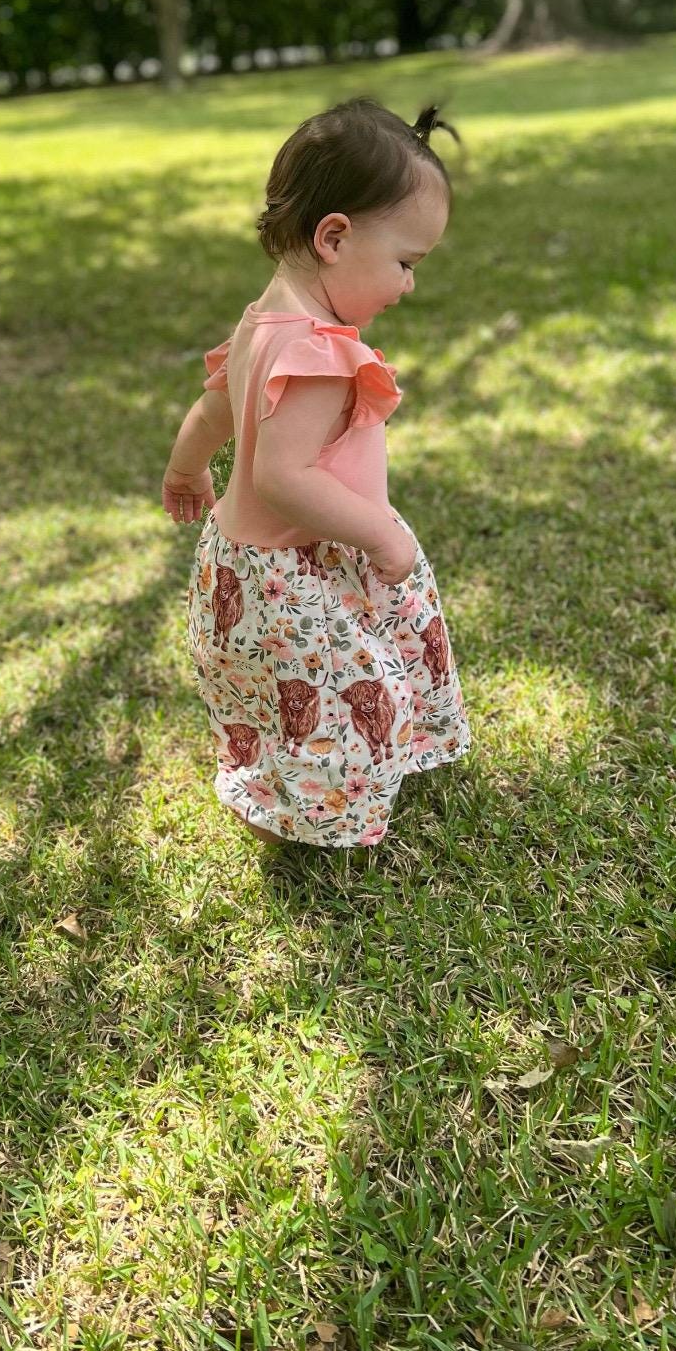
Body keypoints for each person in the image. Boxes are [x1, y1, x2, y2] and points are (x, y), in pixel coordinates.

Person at [161, 95, 471, 850]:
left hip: (248, 566)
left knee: (286, 697)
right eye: (404, 263)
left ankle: (336, 772)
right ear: (335, 237)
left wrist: (186, 469)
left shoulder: (264, 320)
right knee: (328, 697)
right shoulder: (319, 353)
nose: (408, 286)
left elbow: (212, 412)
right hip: (298, 572)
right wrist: (381, 533)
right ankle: (286, 815)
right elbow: (283, 477)